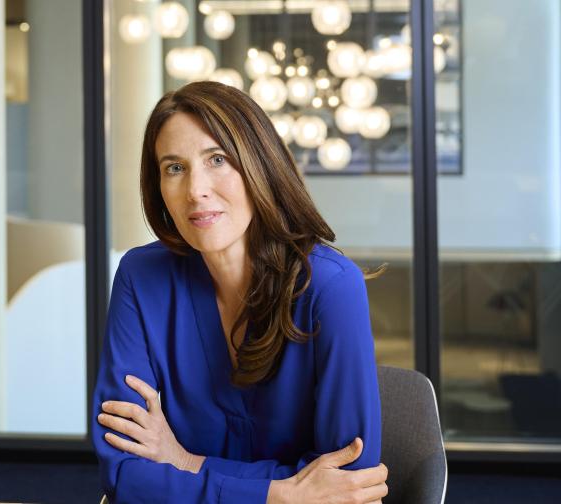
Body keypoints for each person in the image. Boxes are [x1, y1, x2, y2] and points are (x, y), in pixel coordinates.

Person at [92, 81, 389, 503]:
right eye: (174, 168)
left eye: (217, 160)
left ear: (259, 166)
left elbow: (349, 482)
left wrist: (186, 462)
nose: (196, 190)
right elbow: (123, 472)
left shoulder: (331, 286)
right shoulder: (141, 276)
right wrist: (279, 495)